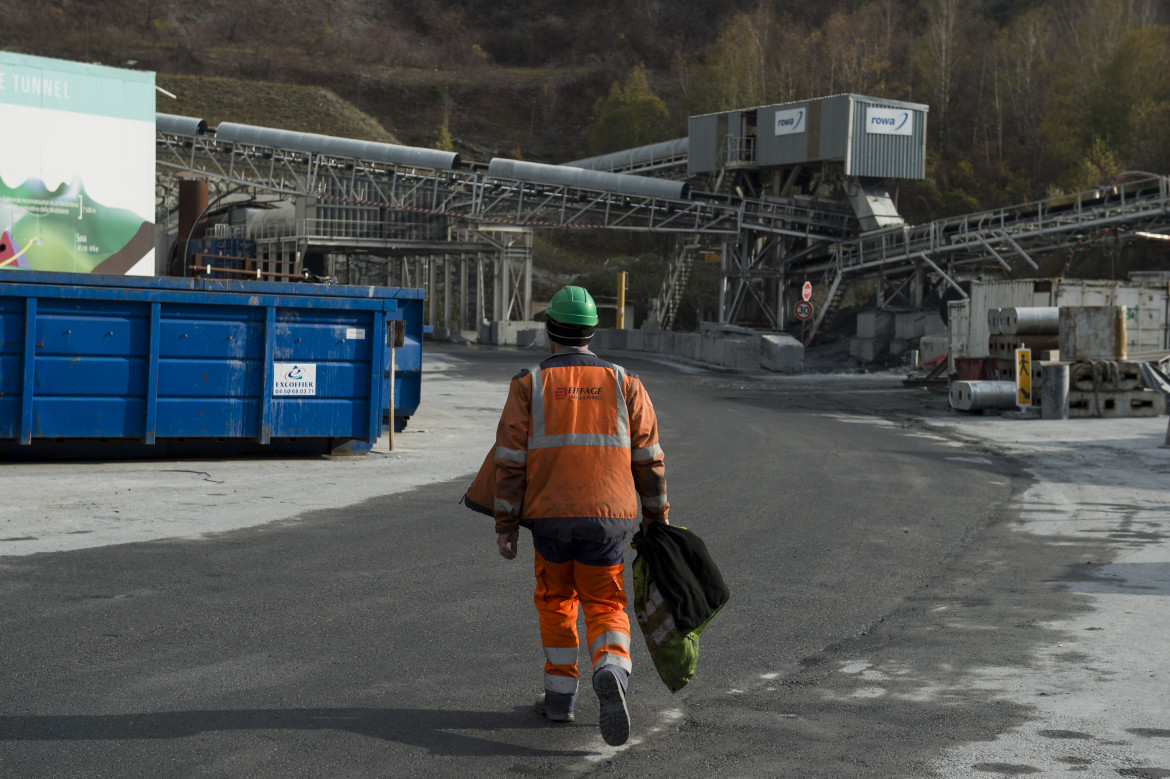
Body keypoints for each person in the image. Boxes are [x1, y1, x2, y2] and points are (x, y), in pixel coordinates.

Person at [491, 285, 669, 747]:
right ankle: (611, 668)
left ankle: (559, 700)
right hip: (609, 521)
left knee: (556, 601)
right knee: (605, 603)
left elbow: (509, 461)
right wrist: (656, 515)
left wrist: (506, 523)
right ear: (592, 333)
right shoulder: (626, 383)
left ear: (550, 331)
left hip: (550, 520)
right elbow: (649, 459)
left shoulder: (528, 384)